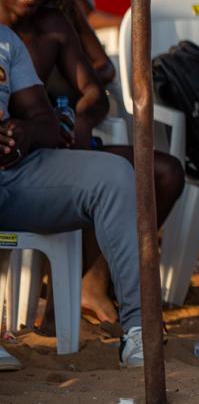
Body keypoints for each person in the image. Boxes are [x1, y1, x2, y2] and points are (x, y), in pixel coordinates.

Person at [0, 0, 184, 324]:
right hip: (24, 165)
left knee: (163, 172)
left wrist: (78, 123)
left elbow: (96, 89)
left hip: (55, 145)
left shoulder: (52, 24)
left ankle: (90, 281)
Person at [0, 23, 145, 368]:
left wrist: (24, 132)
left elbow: (46, 122)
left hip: (14, 176)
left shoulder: (6, 40)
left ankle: (139, 328)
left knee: (114, 174)